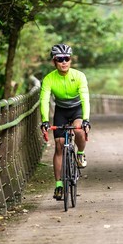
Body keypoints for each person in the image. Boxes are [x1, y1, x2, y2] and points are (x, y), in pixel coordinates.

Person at [40, 43, 91, 201]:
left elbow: (85, 99)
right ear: (54, 61)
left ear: (70, 60)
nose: (64, 62)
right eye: (60, 59)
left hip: (77, 110)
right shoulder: (49, 78)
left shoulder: (79, 76)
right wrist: (45, 121)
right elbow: (44, 100)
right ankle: (59, 185)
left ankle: (80, 154)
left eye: (66, 59)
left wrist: (86, 119)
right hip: (61, 111)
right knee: (60, 145)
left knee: (78, 130)